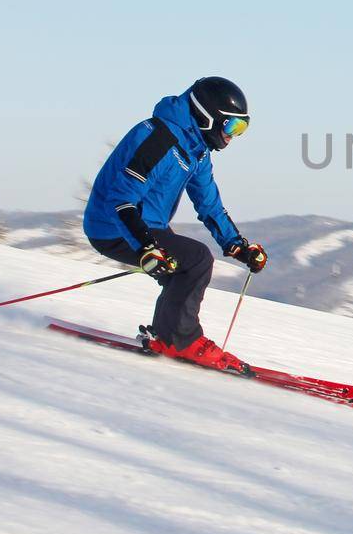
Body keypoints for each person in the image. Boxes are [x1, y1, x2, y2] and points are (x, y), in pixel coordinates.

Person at [83, 76, 269, 373]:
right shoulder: (157, 137)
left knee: (180, 267)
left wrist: (237, 245)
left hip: (144, 225)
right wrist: (146, 247)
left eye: (241, 128)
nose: (233, 136)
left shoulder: (197, 151)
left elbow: (209, 203)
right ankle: (183, 341)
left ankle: (167, 337)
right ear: (208, 117)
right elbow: (122, 197)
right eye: (232, 126)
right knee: (196, 260)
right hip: (113, 225)